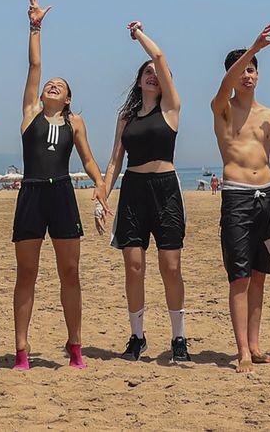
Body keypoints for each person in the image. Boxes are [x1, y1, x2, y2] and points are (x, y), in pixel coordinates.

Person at [12, 0, 109, 370]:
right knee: (27, 273)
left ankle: (75, 346)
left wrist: (101, 187)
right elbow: (34, 64)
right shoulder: (30, 113)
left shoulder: (75, 123)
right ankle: (22, 351)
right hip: (32, 193)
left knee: (70, 272)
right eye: (48, 84)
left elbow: (87, 160)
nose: (51, 85)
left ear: (68, 99)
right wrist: (35, 26)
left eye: (60, 85)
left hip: (63, 194)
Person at [211, 24, 270, 373]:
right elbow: (224, 85)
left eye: (252, 69)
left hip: (268, 199)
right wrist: (253, 49)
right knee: (240, 277)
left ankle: (256, 345)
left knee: (260, 276)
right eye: (241, 69)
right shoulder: (222, 108)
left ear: (259, 76)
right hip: (237, 197)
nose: (247, 74)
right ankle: (242, 351)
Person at [100, 21, 189, 364]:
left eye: (156, 72)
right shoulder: (126, 117)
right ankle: (137, 336)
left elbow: (160, 55)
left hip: (165, 191)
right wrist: (103, 195)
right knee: (134, 267)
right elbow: (113, 161)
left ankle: (179, 337)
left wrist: (138, 34)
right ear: (138, 80)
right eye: (146, 72)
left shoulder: (171, 109)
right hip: (133, 192)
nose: (152, 74)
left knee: (171, 266)